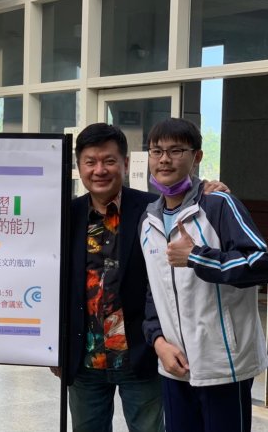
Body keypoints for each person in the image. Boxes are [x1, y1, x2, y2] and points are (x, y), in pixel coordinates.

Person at [139, 118, 268, 432]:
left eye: (176, 150)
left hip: (223, 366)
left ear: (197, 157)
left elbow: (263, 264)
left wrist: (197, 257)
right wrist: (158, 341)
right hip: (174, 365)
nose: (164, 159)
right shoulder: (148, 220)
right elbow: (153, 291)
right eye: (156, 151)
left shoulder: (218, 205)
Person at [53, 122, 164, 432]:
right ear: (79, 166)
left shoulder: (152, 210)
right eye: (90, 162)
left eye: (109, 161)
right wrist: (52, 347)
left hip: (140, 353)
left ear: (125, 163)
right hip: (84, 358)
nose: (99, 170)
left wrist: (210, 189)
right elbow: (53, 285)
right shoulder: (66, 215)